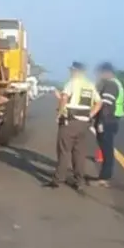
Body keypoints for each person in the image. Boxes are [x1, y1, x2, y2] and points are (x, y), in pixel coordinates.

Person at [46, 62, 102, 191]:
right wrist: (90, 115)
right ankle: (79, 181)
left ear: (76, 71)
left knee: (64, 151)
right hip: (84, 123)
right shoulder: (90, 85)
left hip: (70, 121)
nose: (70, 72)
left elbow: (65, 98)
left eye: (72, 70)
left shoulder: (72, 83)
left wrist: (60, 113)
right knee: (79, 153)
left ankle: (58, 179)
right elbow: (99, 103)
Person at [90, 62, 124, 187]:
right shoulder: (116, 83)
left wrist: (100, 122)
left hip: (108, 120)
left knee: (107, 149)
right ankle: (104, 176)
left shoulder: (110, 85)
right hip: (112, 119)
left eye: (100, 73)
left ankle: (104, 178)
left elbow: (106, 105)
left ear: (107, 72)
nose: (99, 75)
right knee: (106, 149)